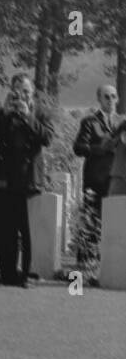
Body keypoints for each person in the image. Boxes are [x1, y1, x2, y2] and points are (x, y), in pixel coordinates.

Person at [0, 73, 54, 288]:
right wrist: (3, 113)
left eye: (25, 91)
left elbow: (47, 138)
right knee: (5, 229)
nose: (21, 95)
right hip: (4, 177)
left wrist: (28, 117)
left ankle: (25, 275)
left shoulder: (40, 112)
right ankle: (6, 275)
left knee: (27, 229)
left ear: (32, 92)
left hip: (29, 178)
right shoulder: (3, 112)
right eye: (17, 90)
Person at [72, 84, 125, 269]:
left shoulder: (122, 122)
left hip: (117, 179)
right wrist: (100, 149)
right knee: (90, 222)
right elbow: (78, 147)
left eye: (113, 96)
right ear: (99, 100)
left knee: (112, 223)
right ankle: (83, 268)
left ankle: (107, 266)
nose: (110, 101)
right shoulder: (89, 122)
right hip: (95, 179)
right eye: (106, 97)